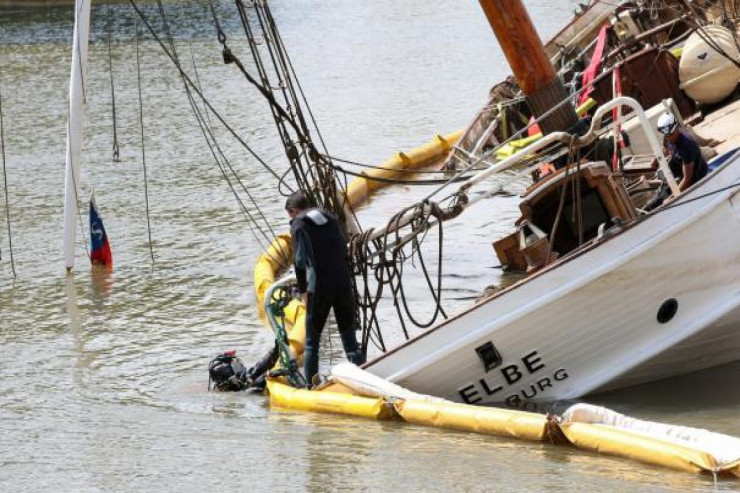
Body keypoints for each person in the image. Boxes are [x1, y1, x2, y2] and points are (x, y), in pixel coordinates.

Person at [285, 190, 364, 387]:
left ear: (293, 211)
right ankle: (364, 379)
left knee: (312, 342)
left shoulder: (298, 225)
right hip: (343, 282)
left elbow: (300, 262)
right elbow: (343, 248)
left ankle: (312, 387)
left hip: (319, 287)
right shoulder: (330, 217)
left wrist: (303, 293)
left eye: (289, 214)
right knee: (350, 340)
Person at [645, 112, 709, 211]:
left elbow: (688, 179)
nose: (667, 137)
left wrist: (672, 199)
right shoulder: (668, 136)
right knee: (652, 204)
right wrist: (656, 159)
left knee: (665, 204)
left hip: (694, 180)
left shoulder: (686, 145)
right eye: (665, 135)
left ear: (676, 128)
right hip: (676, 176)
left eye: (669, 134)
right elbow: (665, 150)